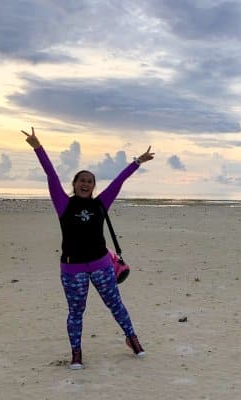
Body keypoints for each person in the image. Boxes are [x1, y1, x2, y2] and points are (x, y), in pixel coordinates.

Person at [22, 127, 154, 370]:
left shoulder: (101, 204)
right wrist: (38, 147)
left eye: (89, 181)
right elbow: (51, 175)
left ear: (93, 186)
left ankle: (131, 337)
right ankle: (76, 352)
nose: (85, 184)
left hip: (102, 265)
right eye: (81, 180)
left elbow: (119, 181)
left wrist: (137, 162)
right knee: (76, 312)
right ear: (74, 184)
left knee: (115, 304)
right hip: (72, 269)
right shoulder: (63, 204)